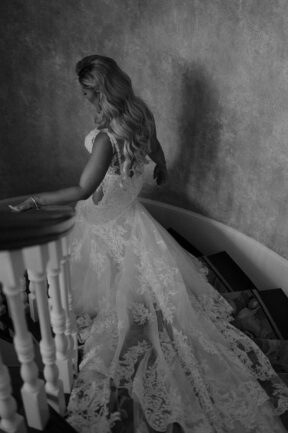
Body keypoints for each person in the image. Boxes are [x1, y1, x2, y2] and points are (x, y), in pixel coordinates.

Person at [10, 55, 288, 433]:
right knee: (138, 288)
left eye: (88, 92)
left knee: (111, 299)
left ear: (101, 91)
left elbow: (82, 189)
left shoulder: (107, 139)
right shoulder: (142, 115)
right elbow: (157, 153)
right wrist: (161, 169)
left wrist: (35, 201)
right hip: (132, 217)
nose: (85, 99)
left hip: (104, 222)